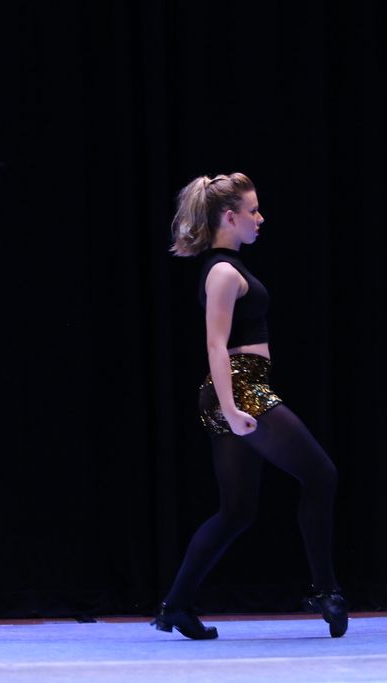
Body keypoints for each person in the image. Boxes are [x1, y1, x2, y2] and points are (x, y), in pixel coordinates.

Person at [153, 173, 346, 640]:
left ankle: (175, 606)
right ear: (229, 216)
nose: (260, 218)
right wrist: (230, 406)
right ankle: (326, 590)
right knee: (321, 475)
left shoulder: (229, 267)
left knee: (236, 511)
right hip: (239, 388)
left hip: (239, 387)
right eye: (253, 211)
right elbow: (215, 345)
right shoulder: (223, 271)